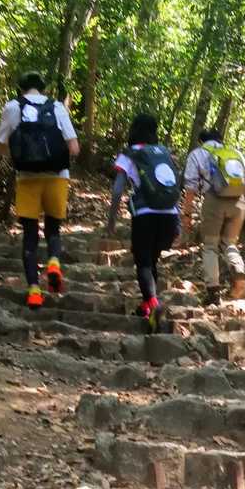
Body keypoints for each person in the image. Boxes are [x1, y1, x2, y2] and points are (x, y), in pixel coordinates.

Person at [0, 71, 80, 308]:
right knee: (53, 228)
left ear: (21, 88)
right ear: (43, 88)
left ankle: (34, 291)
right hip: (57, 177)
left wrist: (18, 153)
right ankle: (54, 263)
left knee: (30, 235)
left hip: (27, 178)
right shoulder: (57, 107)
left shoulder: (13, 107)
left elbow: (0, 146)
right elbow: (74, 148)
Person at [104, 113, 181, 331]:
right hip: (169, 214)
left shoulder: (129, 154)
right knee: (152, 260)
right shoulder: (163, 152)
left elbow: (117, 189)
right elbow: (173, 183)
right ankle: (146, 306)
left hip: (145, 214)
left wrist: (111, 220)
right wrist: (179, 221)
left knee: (143, 261)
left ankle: (154, 305)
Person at [181, 128, 245, 305]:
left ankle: (213, 293)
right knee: (229, 244)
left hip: (214, 202)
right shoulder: (234, 153)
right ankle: (239, 273)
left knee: (210, 246)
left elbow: (191, 187)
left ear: (201, 141)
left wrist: (187, 214)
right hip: (238, 202)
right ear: (220, 140)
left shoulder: (198, 154)